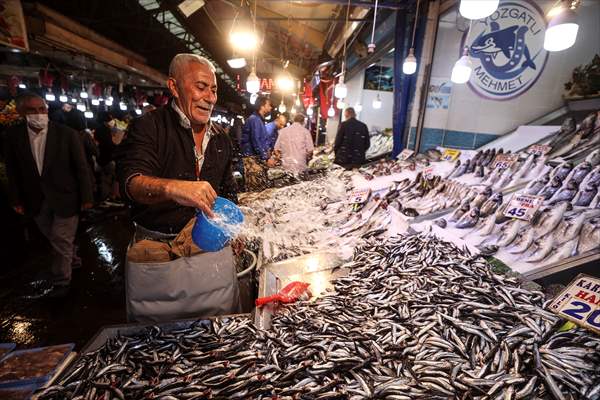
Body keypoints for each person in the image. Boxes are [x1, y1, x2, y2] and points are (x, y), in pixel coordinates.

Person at [117, 54, 237, 235]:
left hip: (210, 241)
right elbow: (132, 183)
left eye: (213, 90)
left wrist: (235, 229)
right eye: (201, 87)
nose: (211, 98)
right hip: (158, 246)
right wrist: (173, 188)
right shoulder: (149, 126)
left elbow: (228, 191)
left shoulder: (221, 138)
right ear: (174, 87)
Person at [4, 92, 94, 295]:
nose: (38, 114)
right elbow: (13, 170)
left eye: (42, 109)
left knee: (60, 237)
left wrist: (87, 197)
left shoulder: (66, 134)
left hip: (66, 196)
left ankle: (61, 280)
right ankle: (72, 258)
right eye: (32, 110)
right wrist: (16, 198)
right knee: (53, 236)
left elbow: (81, 167)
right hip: (34, 198)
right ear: (20, 112)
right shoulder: (13, 136)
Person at [240, 96, 274, 190]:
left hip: (255, 159)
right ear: (262, 106)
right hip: (251, 160)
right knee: (254, 189)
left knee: (259, 188)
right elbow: (256, 140)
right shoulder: (254, 119)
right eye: (268, 105)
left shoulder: (259, 120)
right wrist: (266, 158)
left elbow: (262, 140)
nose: (270, 108)